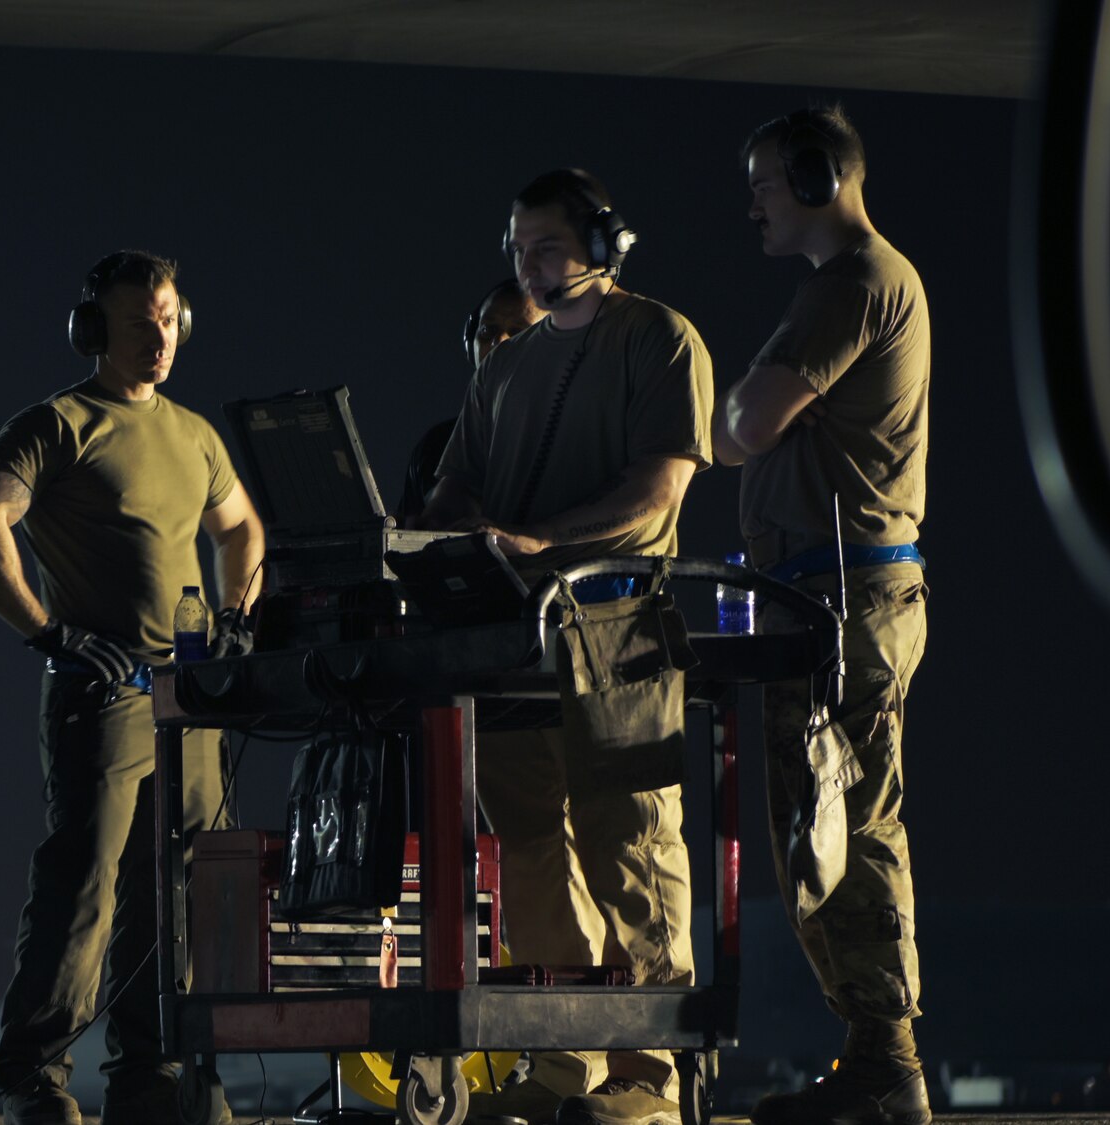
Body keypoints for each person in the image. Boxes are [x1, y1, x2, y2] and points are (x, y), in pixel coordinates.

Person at [0, 251, 265, 1125]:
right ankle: (34, 1077)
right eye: (137, 324)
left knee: (181, 886)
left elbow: (242, 529)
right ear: (95, 334)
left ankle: (150, 1074)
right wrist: (46, 630)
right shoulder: (60, 423)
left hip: (191, 695)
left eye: (168, 319)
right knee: (85, 882)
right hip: (108, 690)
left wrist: (234, 620)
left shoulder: (196, 434)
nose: (158, 337)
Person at [421, 169, 715, 1125]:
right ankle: (568, 1057)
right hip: (514, 642)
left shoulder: (660, 340)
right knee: (530, 852)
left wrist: (546, 544)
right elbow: (457, 481)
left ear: (605, 242)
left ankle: (655, 1075)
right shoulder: (506, 366)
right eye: (518, 251)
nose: (531, 268)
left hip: (618, 628)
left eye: (547, 247)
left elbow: (659, 487)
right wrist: (447, 534)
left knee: (631, 844)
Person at [713, 106, 933, 1125]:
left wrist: (727, 412)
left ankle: (887, 1067)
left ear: (813, 179)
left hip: (843, 600)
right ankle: (869, 1057)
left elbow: (743, 425)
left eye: (763, 182)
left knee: (850, 827)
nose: (752, 203)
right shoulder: (843, 288)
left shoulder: (850, 285)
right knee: (822, 833)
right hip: (819, 598)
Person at [395, 279, 546, 526]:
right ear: (470, 344)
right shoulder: (436, 445)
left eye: (519, 332)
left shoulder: (579, 440)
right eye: (488, 332)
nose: (499, 342)